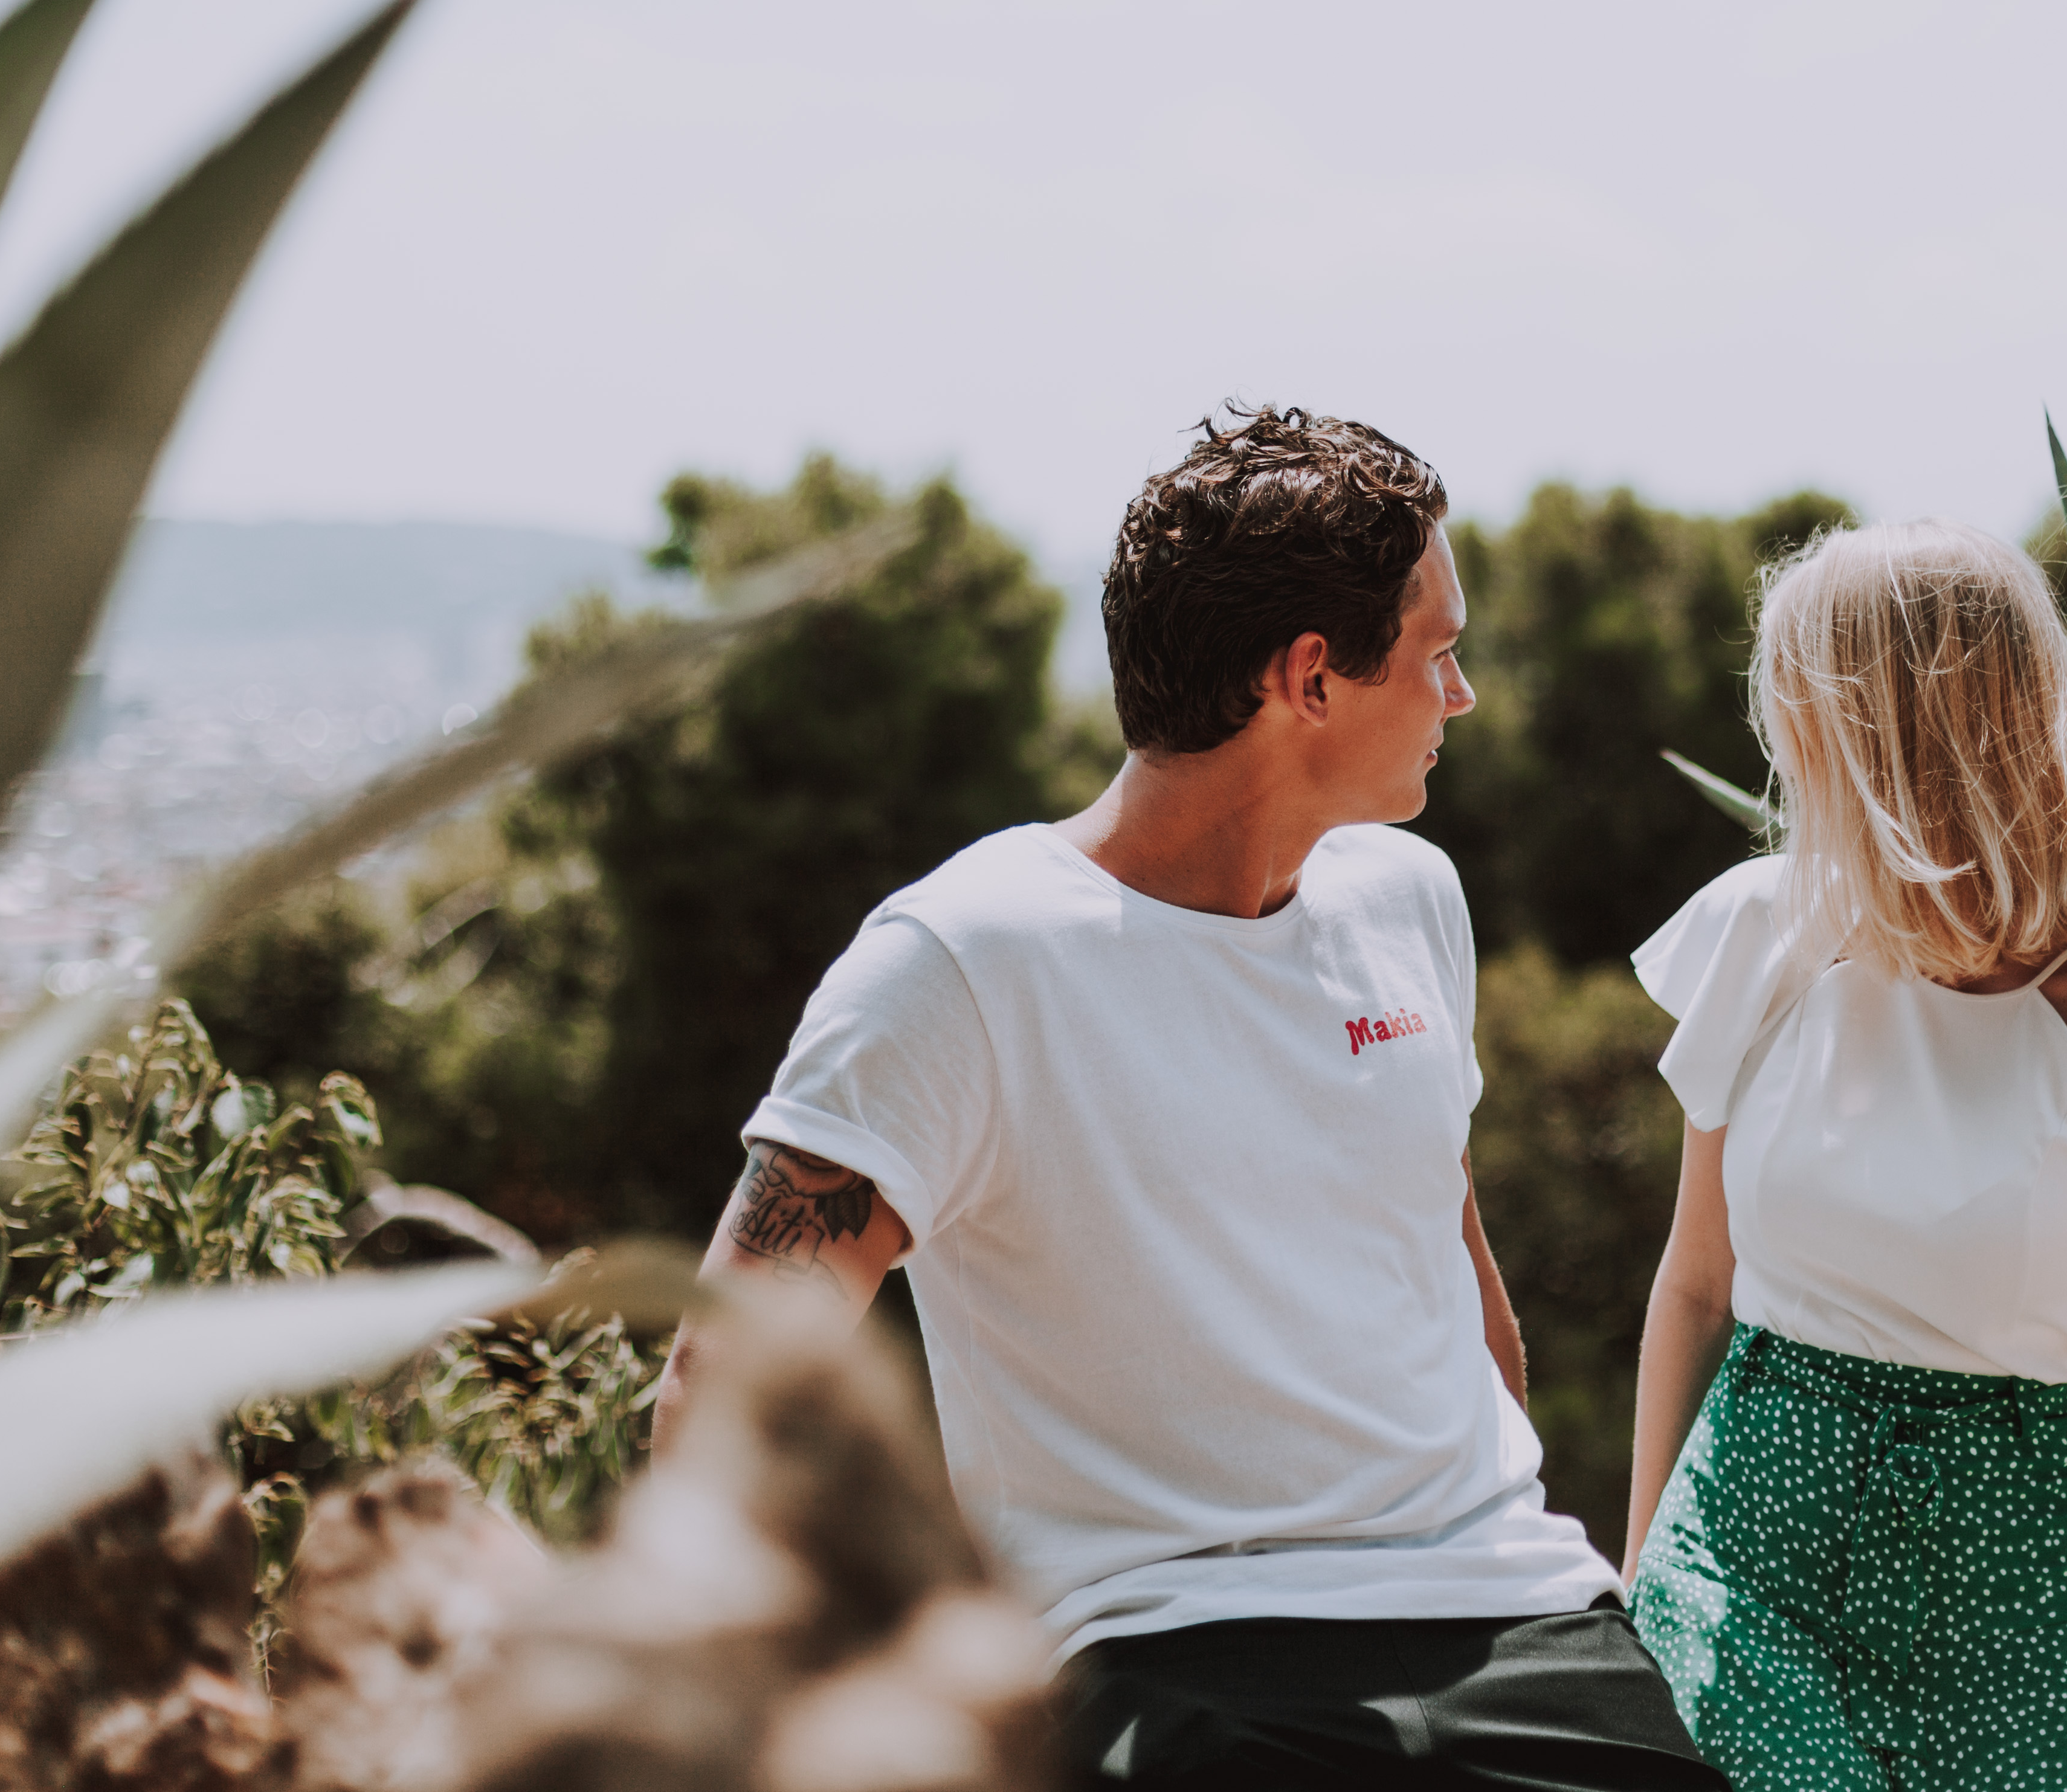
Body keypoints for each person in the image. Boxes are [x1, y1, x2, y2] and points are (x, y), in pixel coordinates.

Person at [654, 407, 1725, 1792]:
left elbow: (1445, 1269)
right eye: (1436, 653)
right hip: (1159, 1651)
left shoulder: (1411, 899)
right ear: (1309, 680)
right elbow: (723, 1380)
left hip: (1510, 1617)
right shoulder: (959, 960)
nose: (1459, 697)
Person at [1620, 519, 2067, 1792]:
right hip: (1744, 1564)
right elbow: (1695, 1286)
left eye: (1802, 721)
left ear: (1886, 741)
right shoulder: (1760, 937)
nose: (1784, 758)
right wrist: (1631, 1588)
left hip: (2023, 1604)